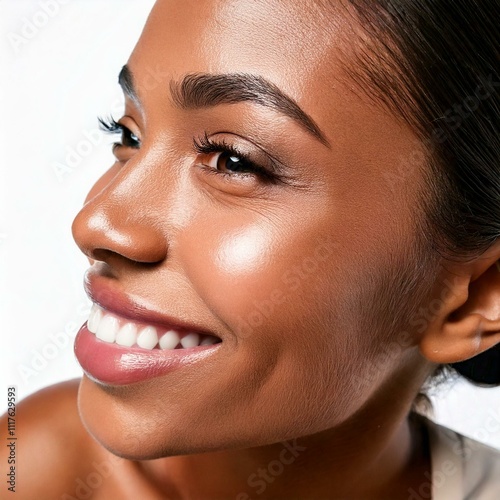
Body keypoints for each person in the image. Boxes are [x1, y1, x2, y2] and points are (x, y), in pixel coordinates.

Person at [2, 0, 500, 498]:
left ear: (477, 296)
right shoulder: (27, 471)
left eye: (233, 161)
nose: (96, 224)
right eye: (129, 134)